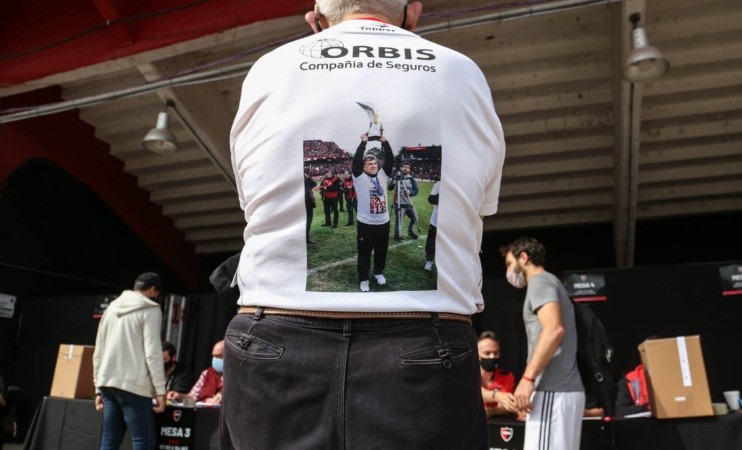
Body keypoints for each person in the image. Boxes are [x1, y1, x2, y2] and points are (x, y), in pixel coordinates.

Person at [225, 0, 505, 447]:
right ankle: (367, 275)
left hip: (276, 337)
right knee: (367, 254)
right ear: (413, 13)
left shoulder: (267, 69)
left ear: (314, 19)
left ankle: (372, 274)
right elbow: (481, 205)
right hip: (426, 340)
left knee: (375, 255)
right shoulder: (463, 72)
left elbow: (250, 198)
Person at [501, 238, 585, 450]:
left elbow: (554, 329)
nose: (509, 271)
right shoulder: (551, 282)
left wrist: (527, 379)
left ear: (524, 257)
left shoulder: (540, 281)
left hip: (553, 389)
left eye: (510, 264)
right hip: (560, 391)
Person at [93, 272, 167, 450]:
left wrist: (97, 387)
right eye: (157, 294)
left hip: (107, 381)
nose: (157, 298)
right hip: (134, 384)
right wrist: (160, 391)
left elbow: (99, 349)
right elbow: (153, 352)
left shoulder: (111, 307)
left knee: (109, 441)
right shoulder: (151, 309)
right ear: (152, 290)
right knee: (143, 442)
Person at [352, 133, 394, 292]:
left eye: (375, 162)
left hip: (383, 222)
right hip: (366, 223)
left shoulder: (383, 176)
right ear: (364, 167)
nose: (373, 165)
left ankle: (378, 272)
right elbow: (356, 161)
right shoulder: (359, 177)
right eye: (369, 163)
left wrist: (385, 142)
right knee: (364, 253)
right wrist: (363, 143)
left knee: (381, 251)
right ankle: (363, 278)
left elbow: (390, 160)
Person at [167, 340, 224, 405]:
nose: (214, 359)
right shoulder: (206, 373)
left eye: (218, 356)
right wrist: (179, 396)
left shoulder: (237, 377)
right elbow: (192, 397)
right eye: (213, 356)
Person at [478, 331, 519, 419]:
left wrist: (492, 411)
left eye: (496, 353)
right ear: (477, 355)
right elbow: (475, 393)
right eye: (487, 353)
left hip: (497, 424)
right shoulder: (468, 374)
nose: (492, 357)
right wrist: (496, 396)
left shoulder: (506, 376)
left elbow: (506, 406)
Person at [388, 161, 419, 241]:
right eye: (404, 166)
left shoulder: (411, 179)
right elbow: (390, 188)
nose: (405, 168)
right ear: (401, 168)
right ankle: (398, 236)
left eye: (407, 167)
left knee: (415, 218)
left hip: (409, 203)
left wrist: (410, 192)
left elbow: (416, 190)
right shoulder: (396, 177)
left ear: (409, 169)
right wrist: (394, 180)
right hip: (399, 204)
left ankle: (410, 231)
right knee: (399, 221)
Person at [424, 179, 439, 271]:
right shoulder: (439, 184)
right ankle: (429, 261)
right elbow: (431, 199)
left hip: (451, 221)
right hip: (436, 220)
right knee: (431, 242)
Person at [304, 172, 318, 244]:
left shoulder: (306, 181)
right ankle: (305, 239)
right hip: (304, 204)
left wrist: (307, 177)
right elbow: (314, 184)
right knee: (306, 222)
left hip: (308, 204)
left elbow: (314, 184)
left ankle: (306, 239)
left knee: (308, 222)